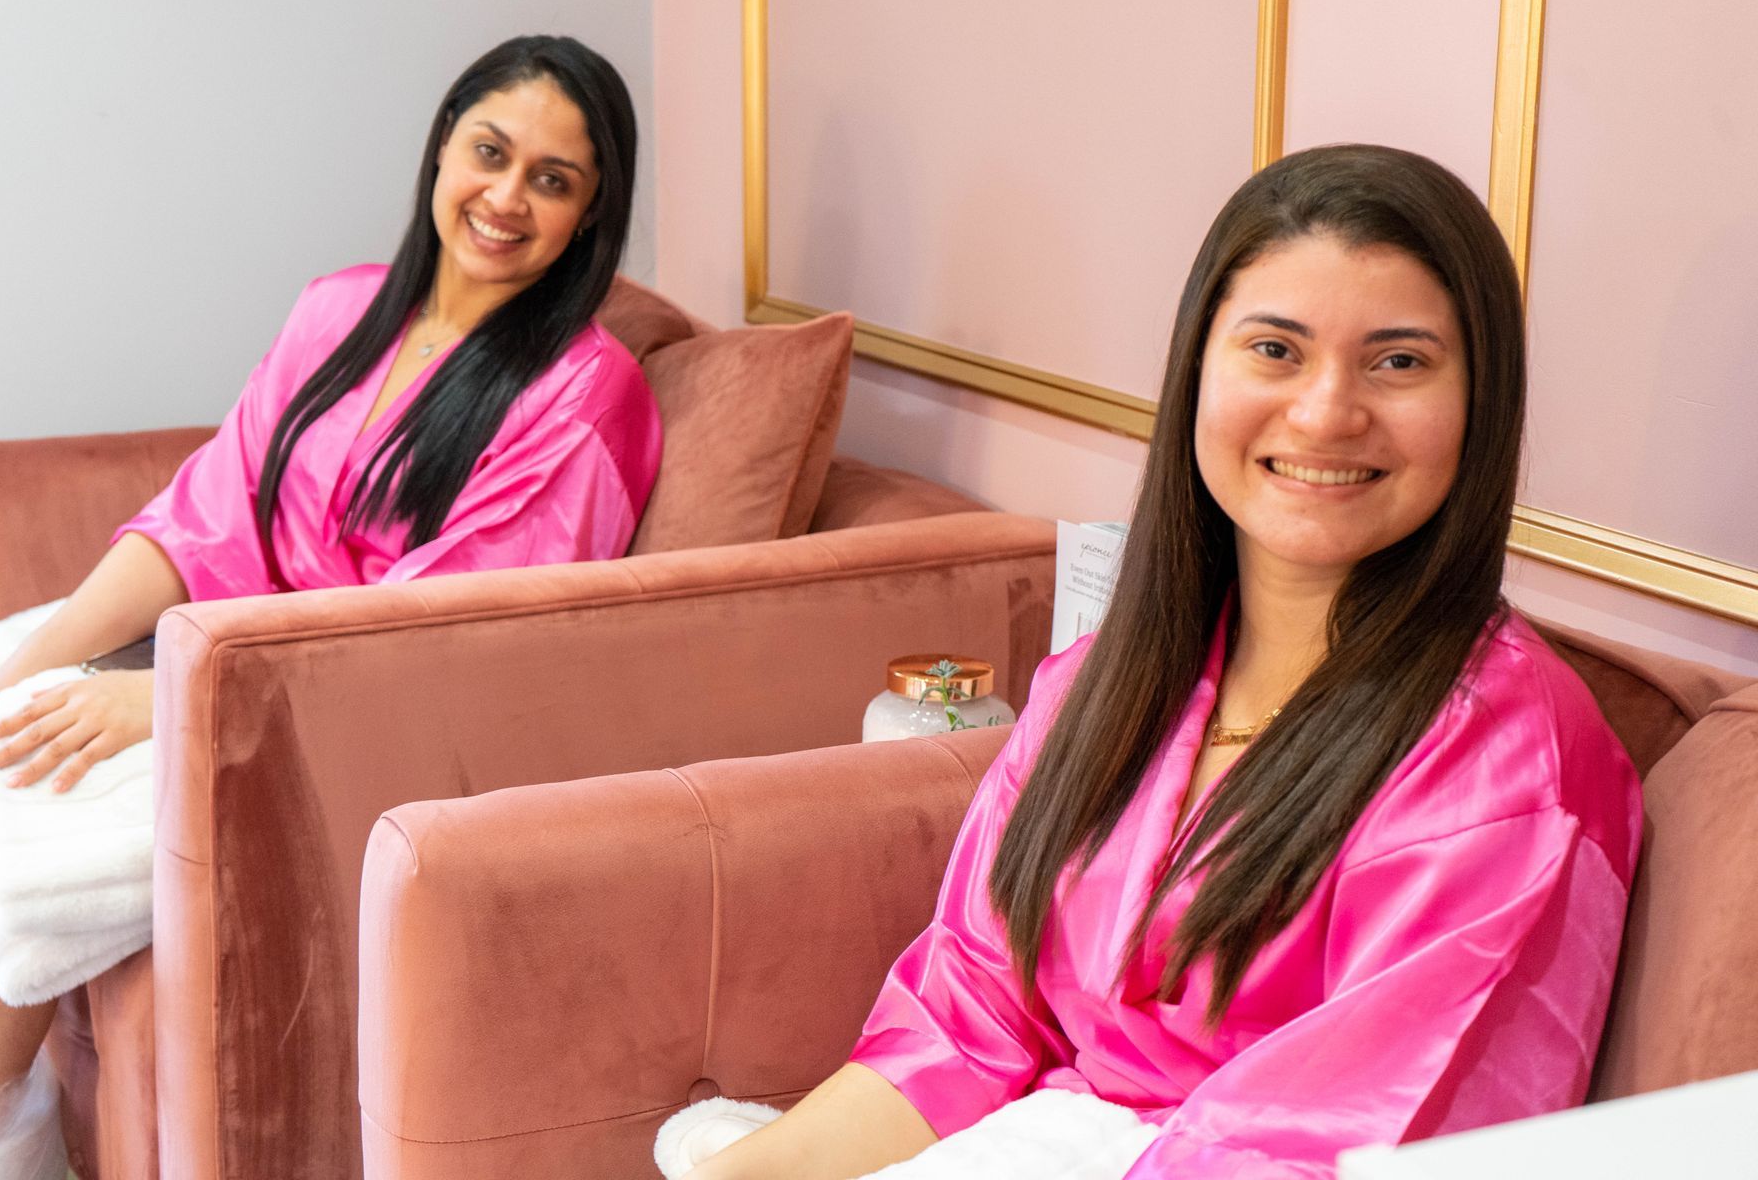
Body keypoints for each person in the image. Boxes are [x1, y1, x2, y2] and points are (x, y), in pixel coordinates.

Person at [683, 145, 1642, 1179]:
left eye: (1398, 361)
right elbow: (963, 1023)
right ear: (1197, 370)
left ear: (1480, 404)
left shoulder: (1511, 768)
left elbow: (1334, 1151)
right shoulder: (1107, 682)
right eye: (1276, 349)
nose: (1326, 411)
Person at [0, 34, 660, 1121]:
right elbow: (205, 516)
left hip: (352, 725)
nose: (507, 197)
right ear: (441, 150)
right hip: (229, 657)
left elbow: (445, 633)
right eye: (491, 151)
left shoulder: (586, 395)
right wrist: (24, 667)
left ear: (586, 219)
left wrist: (168, 700)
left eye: (552, 181)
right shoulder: (341, 309)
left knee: (2, 817)